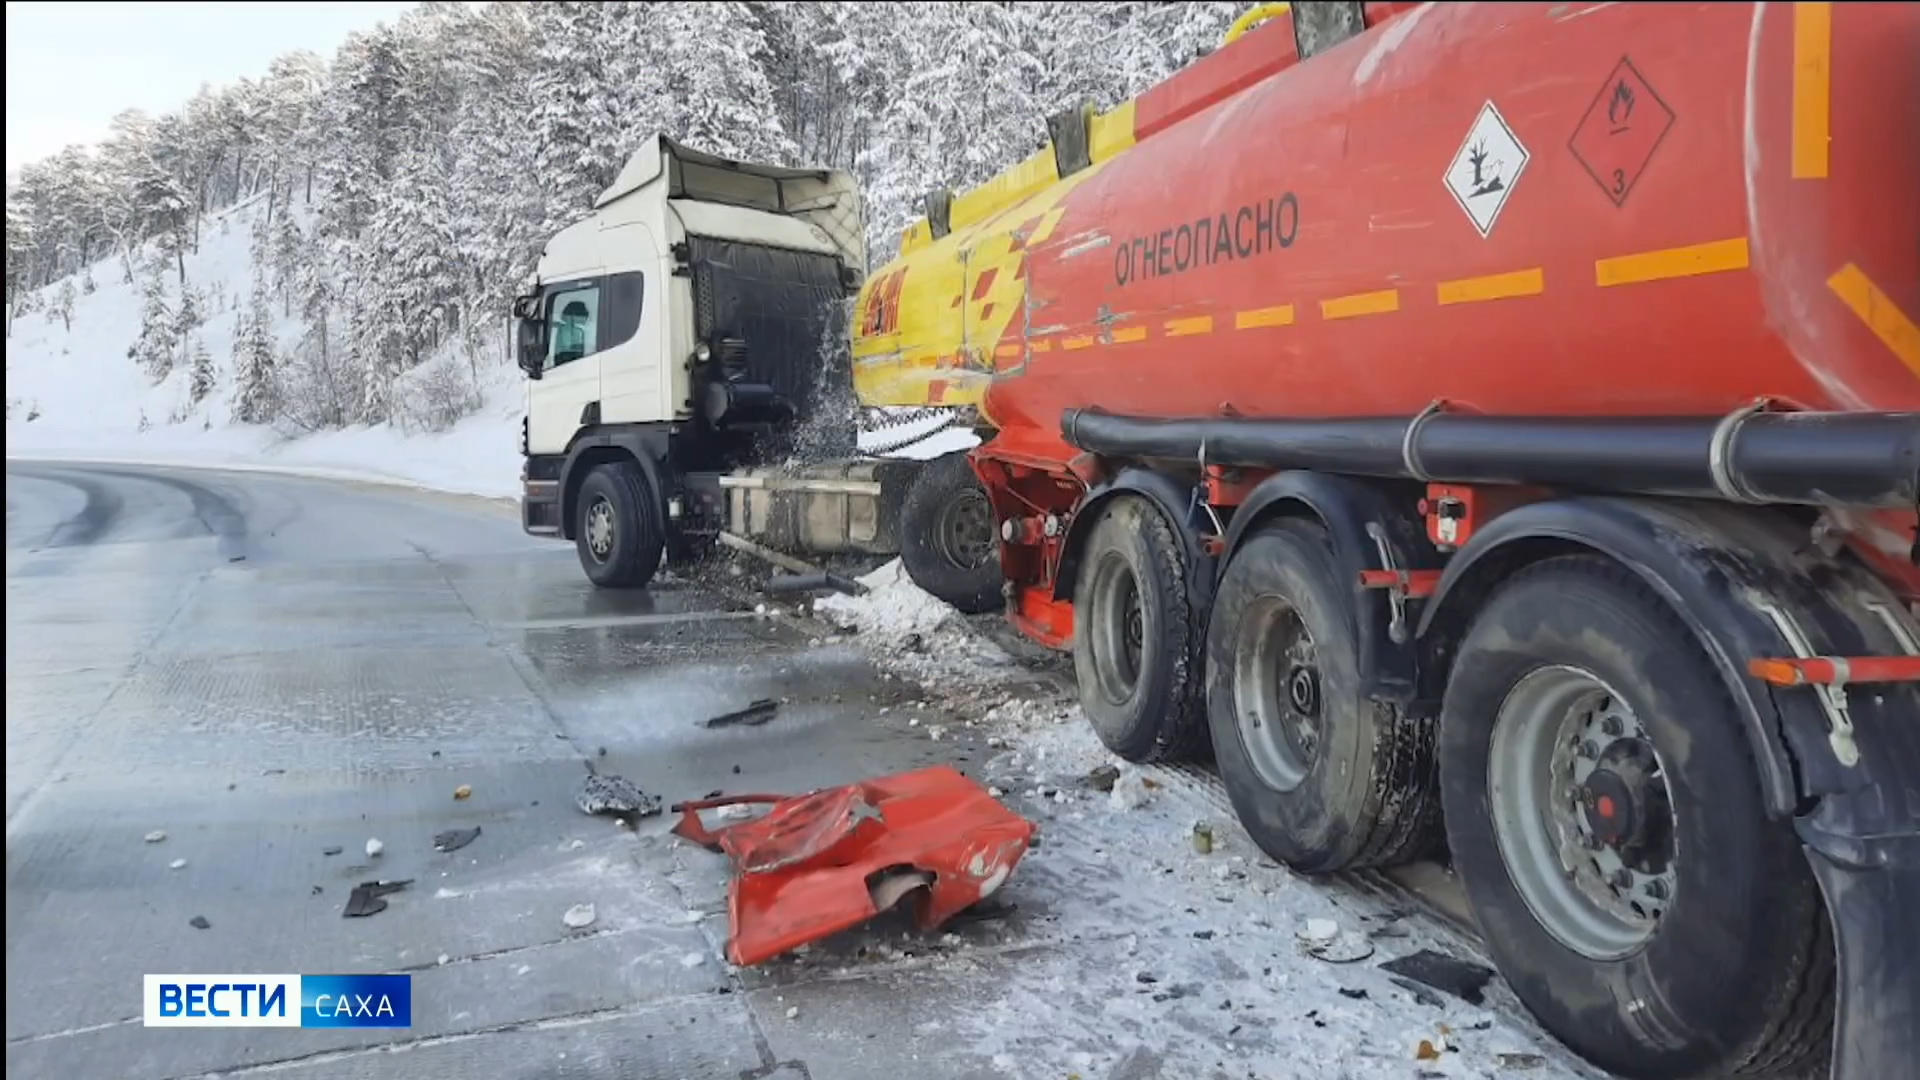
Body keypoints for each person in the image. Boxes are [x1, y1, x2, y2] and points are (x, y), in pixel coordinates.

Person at [553, 299, 591, 363]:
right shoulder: (562, 330)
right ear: (572, 316)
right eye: (583, 315)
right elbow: (568, 349)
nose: (585, 319)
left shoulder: (580, 331)